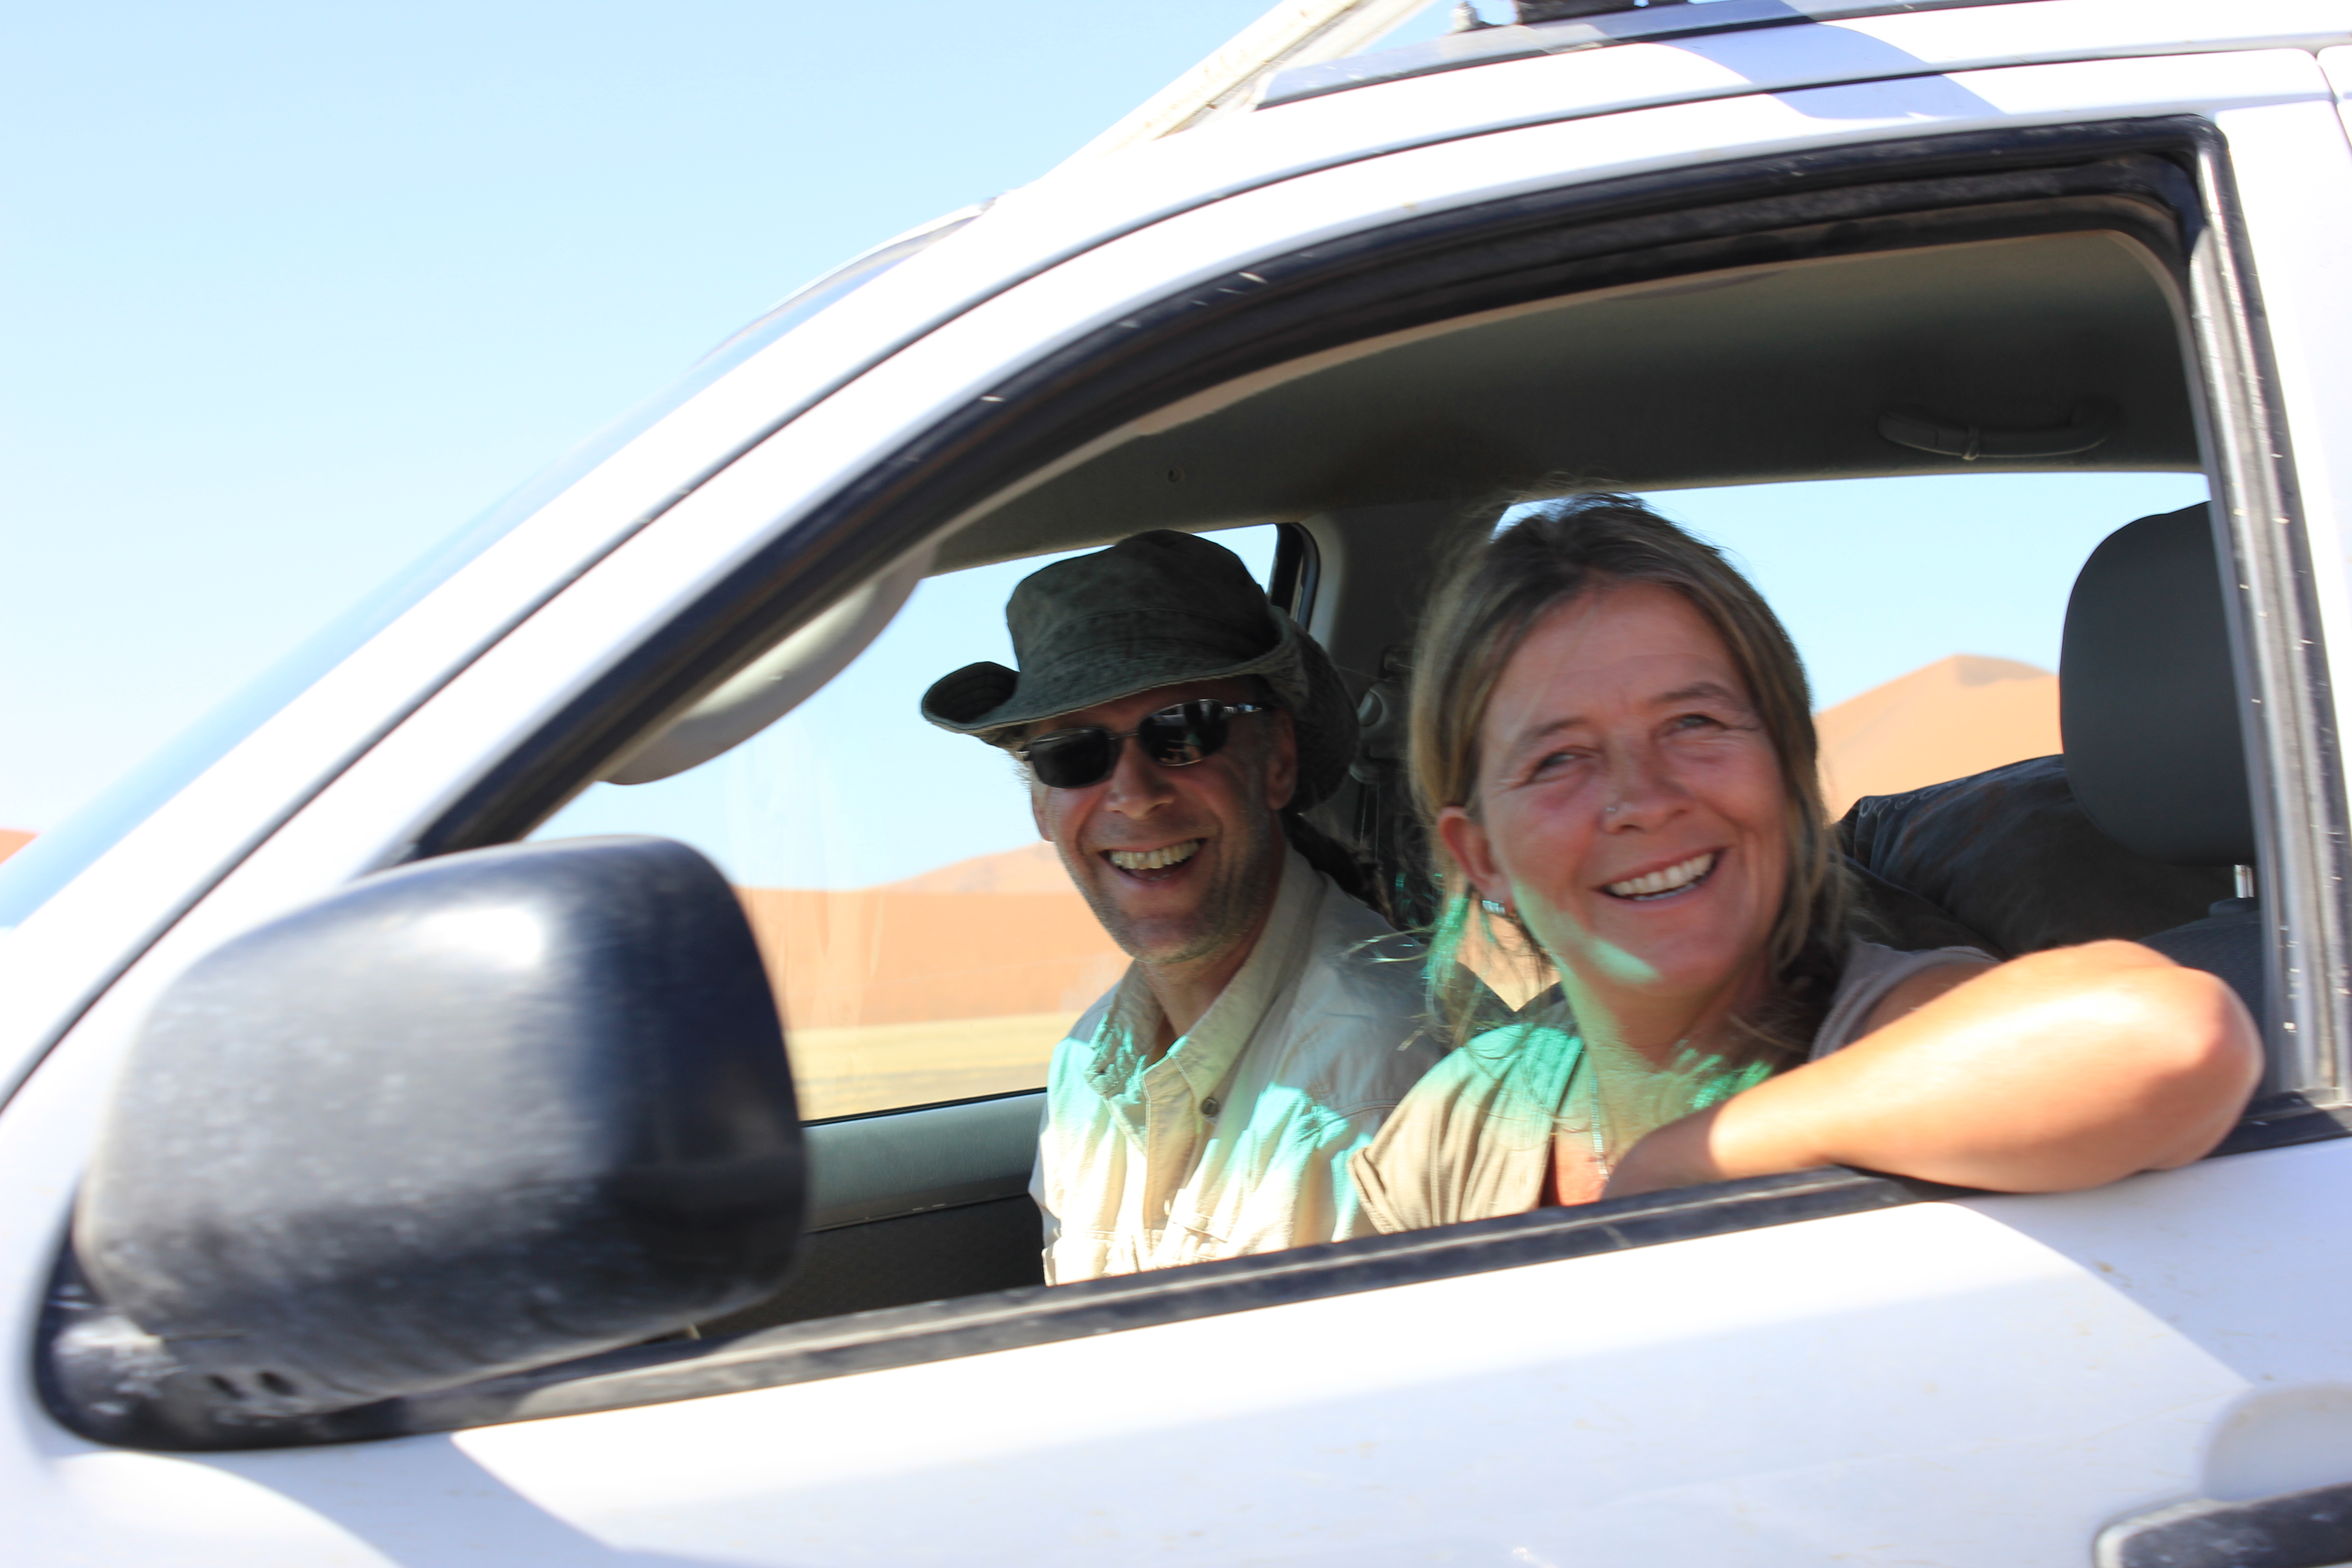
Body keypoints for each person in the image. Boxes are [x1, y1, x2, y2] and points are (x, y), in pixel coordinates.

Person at [1351, 495, 2261, 1229]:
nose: (1645, 798)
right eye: (1559, 759)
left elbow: (2173, 1038)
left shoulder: (1904, 1034)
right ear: (1481, 858)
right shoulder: (1464, 1123)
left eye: (1694, 723)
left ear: (1787, 770)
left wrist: (1689, 1157)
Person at [923, 529, 1445, 1281]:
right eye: (1073, 753)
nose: (1134, 795)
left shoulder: (1379, 1081)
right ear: (1041, 806)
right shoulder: (1089, 1063)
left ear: (1277, 760)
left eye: (1185, 731)